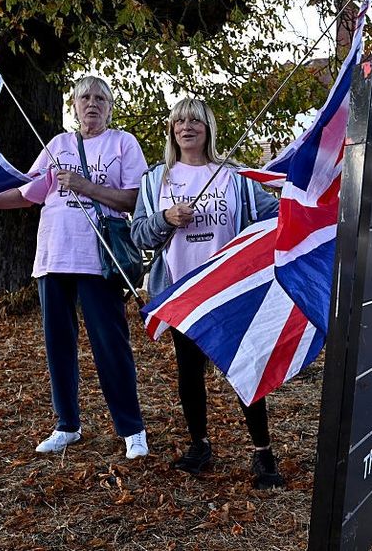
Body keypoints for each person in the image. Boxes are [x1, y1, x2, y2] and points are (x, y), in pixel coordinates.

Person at [0, 76, 149, 459]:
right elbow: (27, 194)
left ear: (110, 106)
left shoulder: (123, 144)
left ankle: (131, 428)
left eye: (100, 98)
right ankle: (67, 425)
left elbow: (134, 199)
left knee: (111, 345)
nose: (92, 104)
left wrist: (86, 186)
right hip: (54, 257)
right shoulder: (56, 145)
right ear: (73, 105)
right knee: (58, 345)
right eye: (84, 97)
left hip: (99, 259)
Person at [131, 97, 284, 489]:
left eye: (195, 121)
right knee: (189, 372)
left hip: (227, 290)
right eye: (180, 121)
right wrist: (165, 218)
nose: (187, 127)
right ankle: (199, 444)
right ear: (172, 130)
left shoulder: (232, 177)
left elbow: (274, 216)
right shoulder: (155, 180)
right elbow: (138, 235)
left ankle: (262, 451)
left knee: (244, 368)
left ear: (208, 128)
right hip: (182, 291)